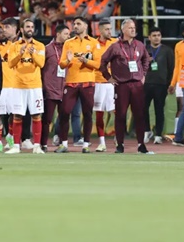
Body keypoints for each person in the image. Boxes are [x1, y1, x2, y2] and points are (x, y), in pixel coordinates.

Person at [99, 19, 152, 154]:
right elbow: (103, 62)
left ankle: (141, 144)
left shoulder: (139, 45)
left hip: (136, 84)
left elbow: (146, 59)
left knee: (139, 115)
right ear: (123, 30)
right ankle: (120, 144)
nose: (133, 30)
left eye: (134, 27)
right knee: (121, 115)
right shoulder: (115, 47)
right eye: (130, 28)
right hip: (121, 85)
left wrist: (144, 73)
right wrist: (108, 78)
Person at [56, 17, 100, 153]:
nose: (75, 26)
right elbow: (61, 64)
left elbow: (98, 64)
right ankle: (63, 144)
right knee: (64, 112)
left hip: (88, 82)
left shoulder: (94, 43)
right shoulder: (68, 43)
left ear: (86, 26)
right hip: (71, 82)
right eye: (74, 24)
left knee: (87, 114)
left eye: (78, 24)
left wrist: (86, 61)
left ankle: (86, 145)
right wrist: (67, 61)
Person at [6, 20, 46, 154]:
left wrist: (33, 53)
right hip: (19, 85)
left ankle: (37, 146)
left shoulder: (40, 46)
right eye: (27, 27)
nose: (30, 29)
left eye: (32, 27)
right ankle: (16, 146)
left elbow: (41, 64)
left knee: (36, 115)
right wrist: (20, 54)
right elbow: (10, 64)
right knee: (17, 116)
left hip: (34, 86)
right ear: (22, 29)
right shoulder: (14, 46)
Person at [41, 24, 71, 152]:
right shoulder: (47, 49)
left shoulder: (69, 49)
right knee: (47, 119)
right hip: (50, 88)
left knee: (64, 117)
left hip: (65, 87)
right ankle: (43, 144)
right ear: (58, 34)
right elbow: (41, 68)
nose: (68, 37)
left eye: (69, 34)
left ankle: (63, 144)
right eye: (66, 34)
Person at [144, 27, 174, 145]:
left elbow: (171, 68)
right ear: (149, 37)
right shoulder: (145, 49)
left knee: (159, 110)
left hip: (161, 84)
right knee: (143, 108)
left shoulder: (167, 50)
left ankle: (158, 134)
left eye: (158, 35)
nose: (157, 37)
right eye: (154, 35)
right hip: (146, 83)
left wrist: (170, 83)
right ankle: (147, 131)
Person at [92, 19, 117, 152]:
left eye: (110, 29)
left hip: (112, 82)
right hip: (98, 82)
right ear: (100, 30)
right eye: (107, 29)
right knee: (99, 114)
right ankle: (102, 142)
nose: (109, 31)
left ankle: (118, 138)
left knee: (117, 111)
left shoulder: (115, 43)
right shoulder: (92, 44)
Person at [0, 24, 14, 152]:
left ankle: (10, 135)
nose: (3, 34)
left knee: (14, 114)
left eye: (3, 32)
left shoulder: (12, 46)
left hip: (12, 85)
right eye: (0, 32)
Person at [168, 21, 184, 136]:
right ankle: (178, 133)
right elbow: (177, 66)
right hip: (181, 80)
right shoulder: (178, 45)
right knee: (181, 106)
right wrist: (173, 83)